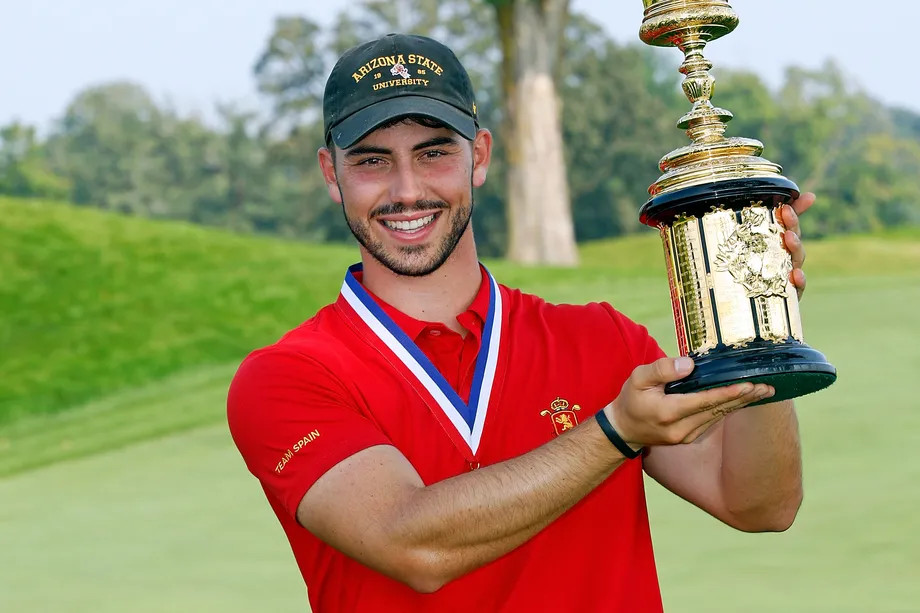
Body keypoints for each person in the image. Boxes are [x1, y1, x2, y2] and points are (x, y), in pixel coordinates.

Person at [227, 33, 812, 612]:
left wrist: (759, 318)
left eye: (433, 152)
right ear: (331, 174)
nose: (407, 191)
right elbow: (412, 544)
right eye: (372, 161)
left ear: (479, 156)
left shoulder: (601, 340)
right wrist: (614, 433)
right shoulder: (286, 378)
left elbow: (759, 505)